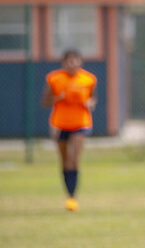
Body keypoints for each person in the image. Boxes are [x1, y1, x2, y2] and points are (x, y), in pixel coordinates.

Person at [41, 49, 97, 212]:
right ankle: (68, 194)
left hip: (81, 123)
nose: (72, 64)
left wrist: (90, 103)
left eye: (75, 60)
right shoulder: (54, 78)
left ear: (80, 62)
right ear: (63, 62)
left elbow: (93, 98)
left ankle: (73, 197)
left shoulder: (88, 79)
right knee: (65, 160)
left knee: (73, 158)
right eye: (69, 61)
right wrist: (57, 98)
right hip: (60, 123)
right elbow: (45, 101)